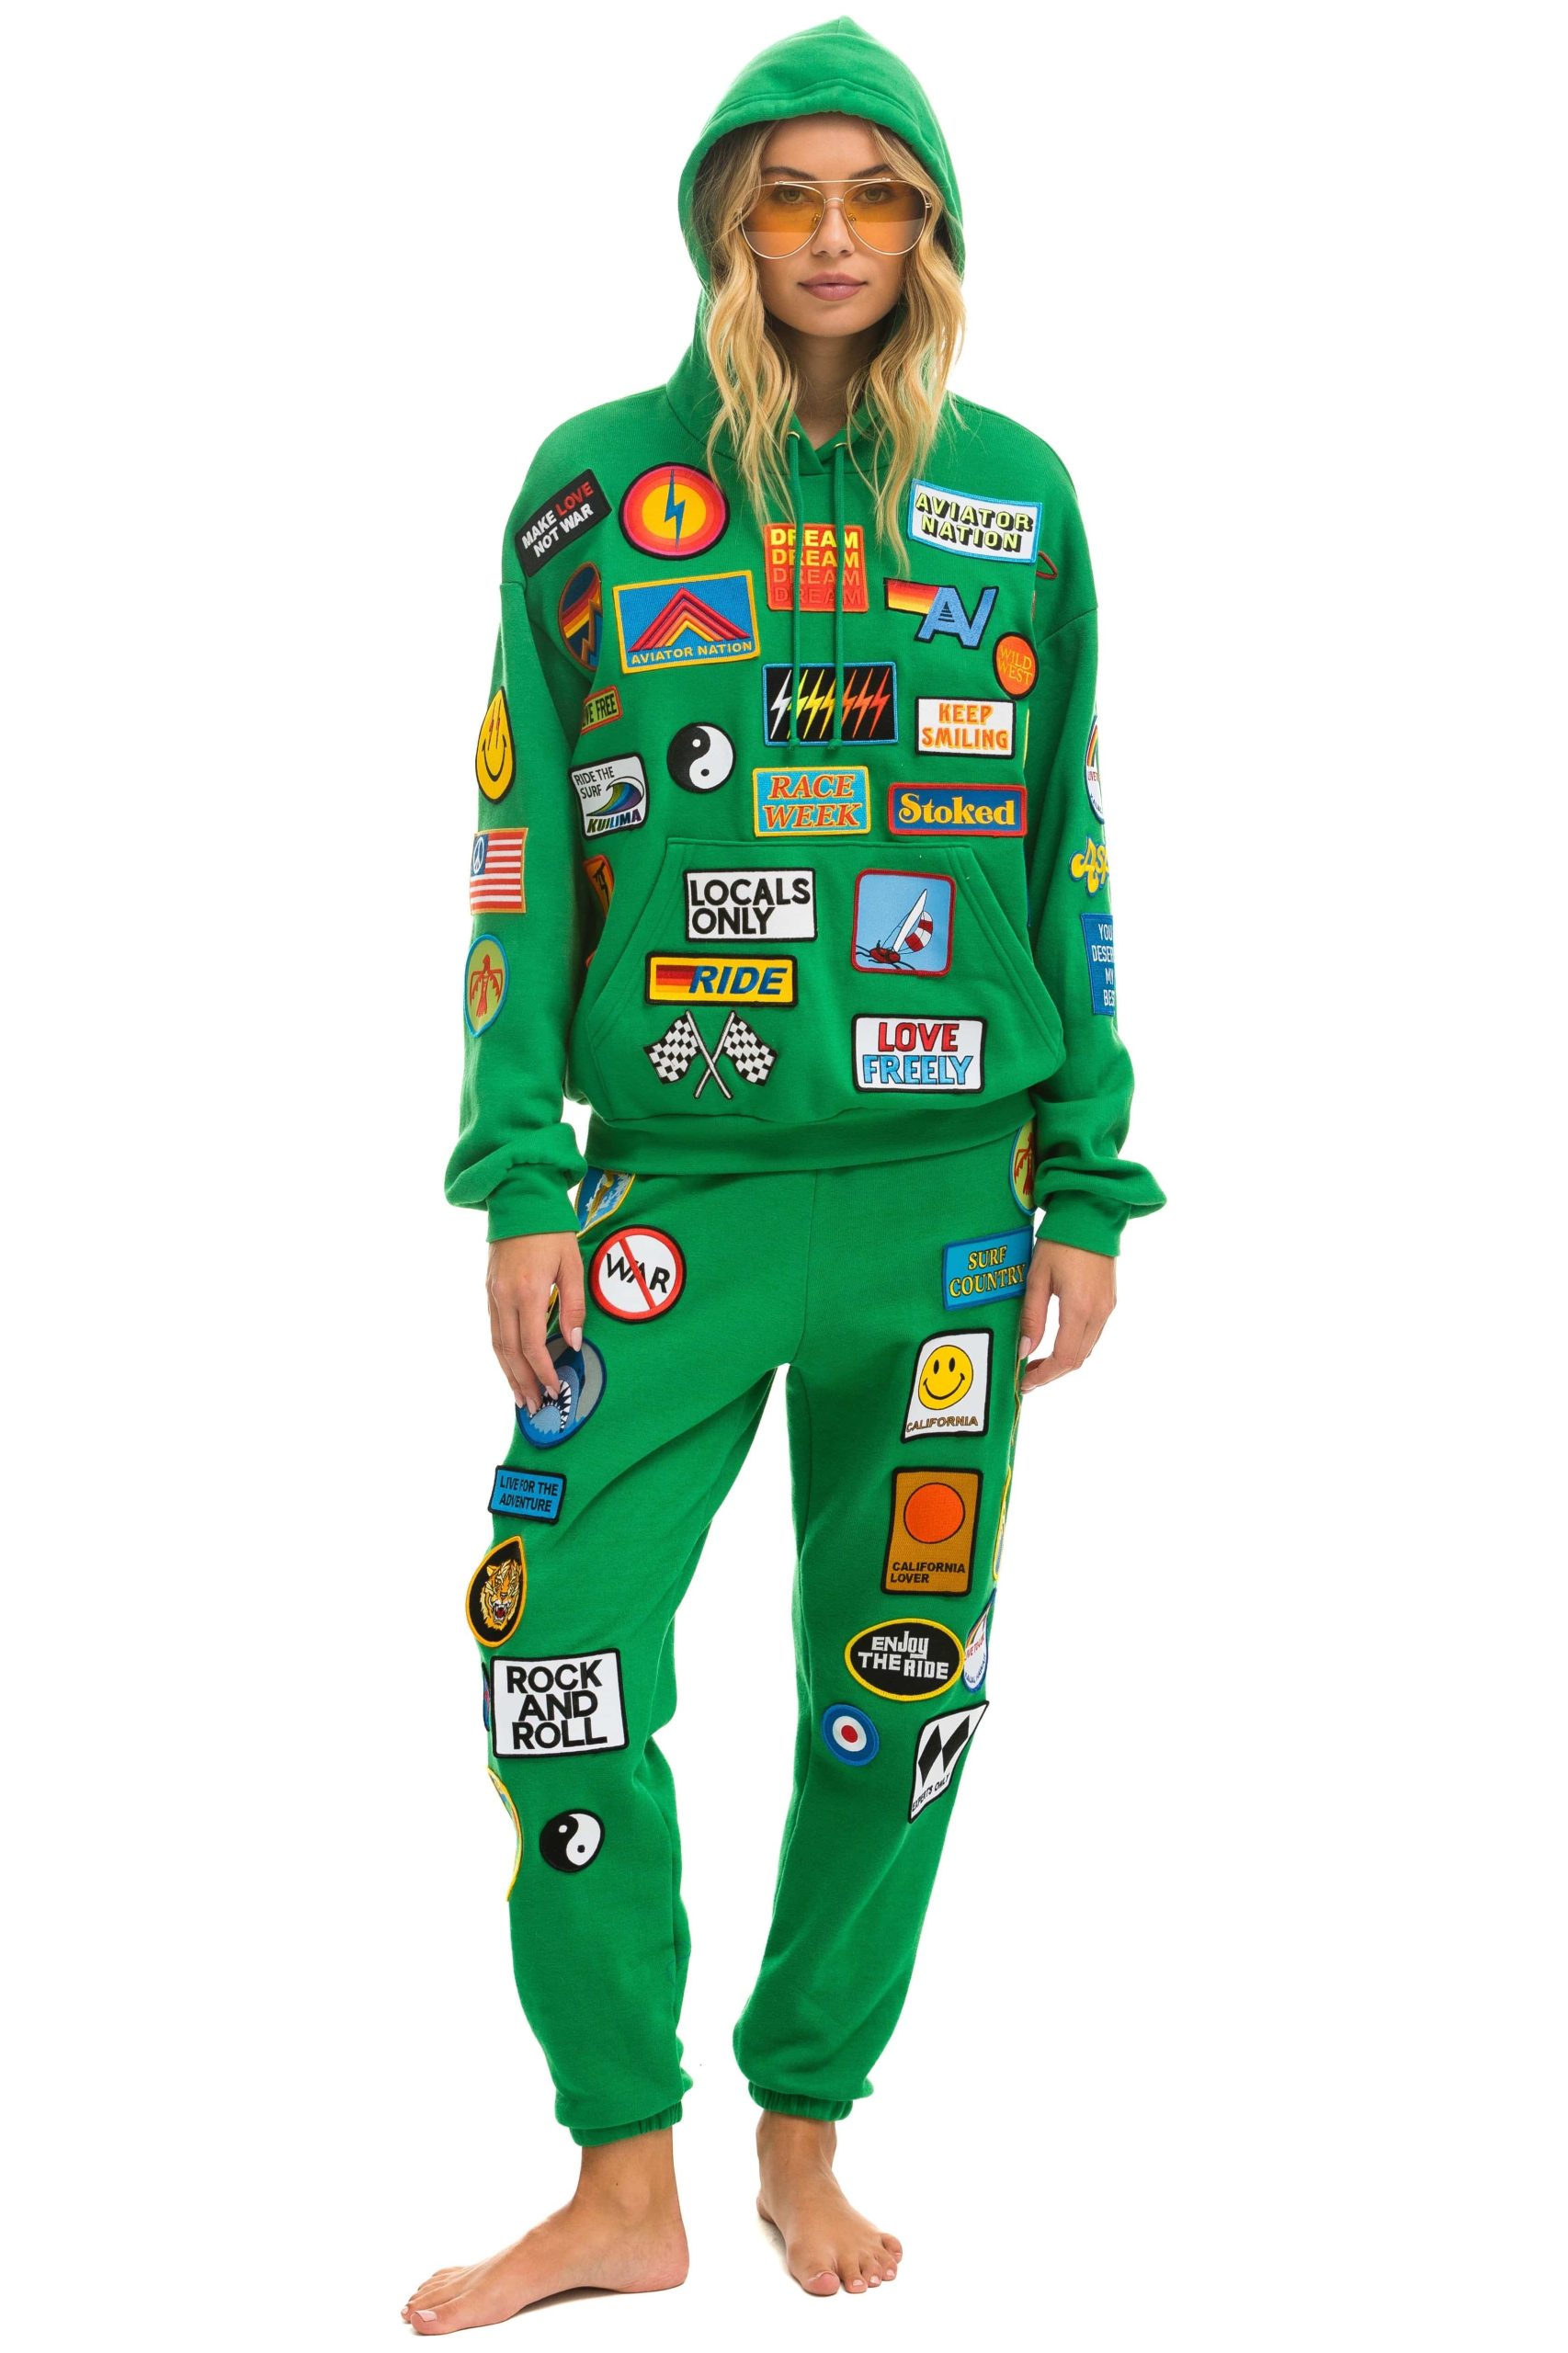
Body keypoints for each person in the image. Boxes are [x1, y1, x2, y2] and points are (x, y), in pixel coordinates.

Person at [411, 16, 1165, 2332]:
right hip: (669, 1202)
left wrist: (1085, 1175)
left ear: (929, 226)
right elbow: (521, 847)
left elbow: (1063, 838)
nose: (834, 238)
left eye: (878, 197)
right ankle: (616, 2168)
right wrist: (519, 1175)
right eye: (789, 196)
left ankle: (803, 2121)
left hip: (948, 1208)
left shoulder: (1017, 499)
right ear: (726, 222)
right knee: (551, 1640)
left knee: (897, 1678)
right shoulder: (590, 492)